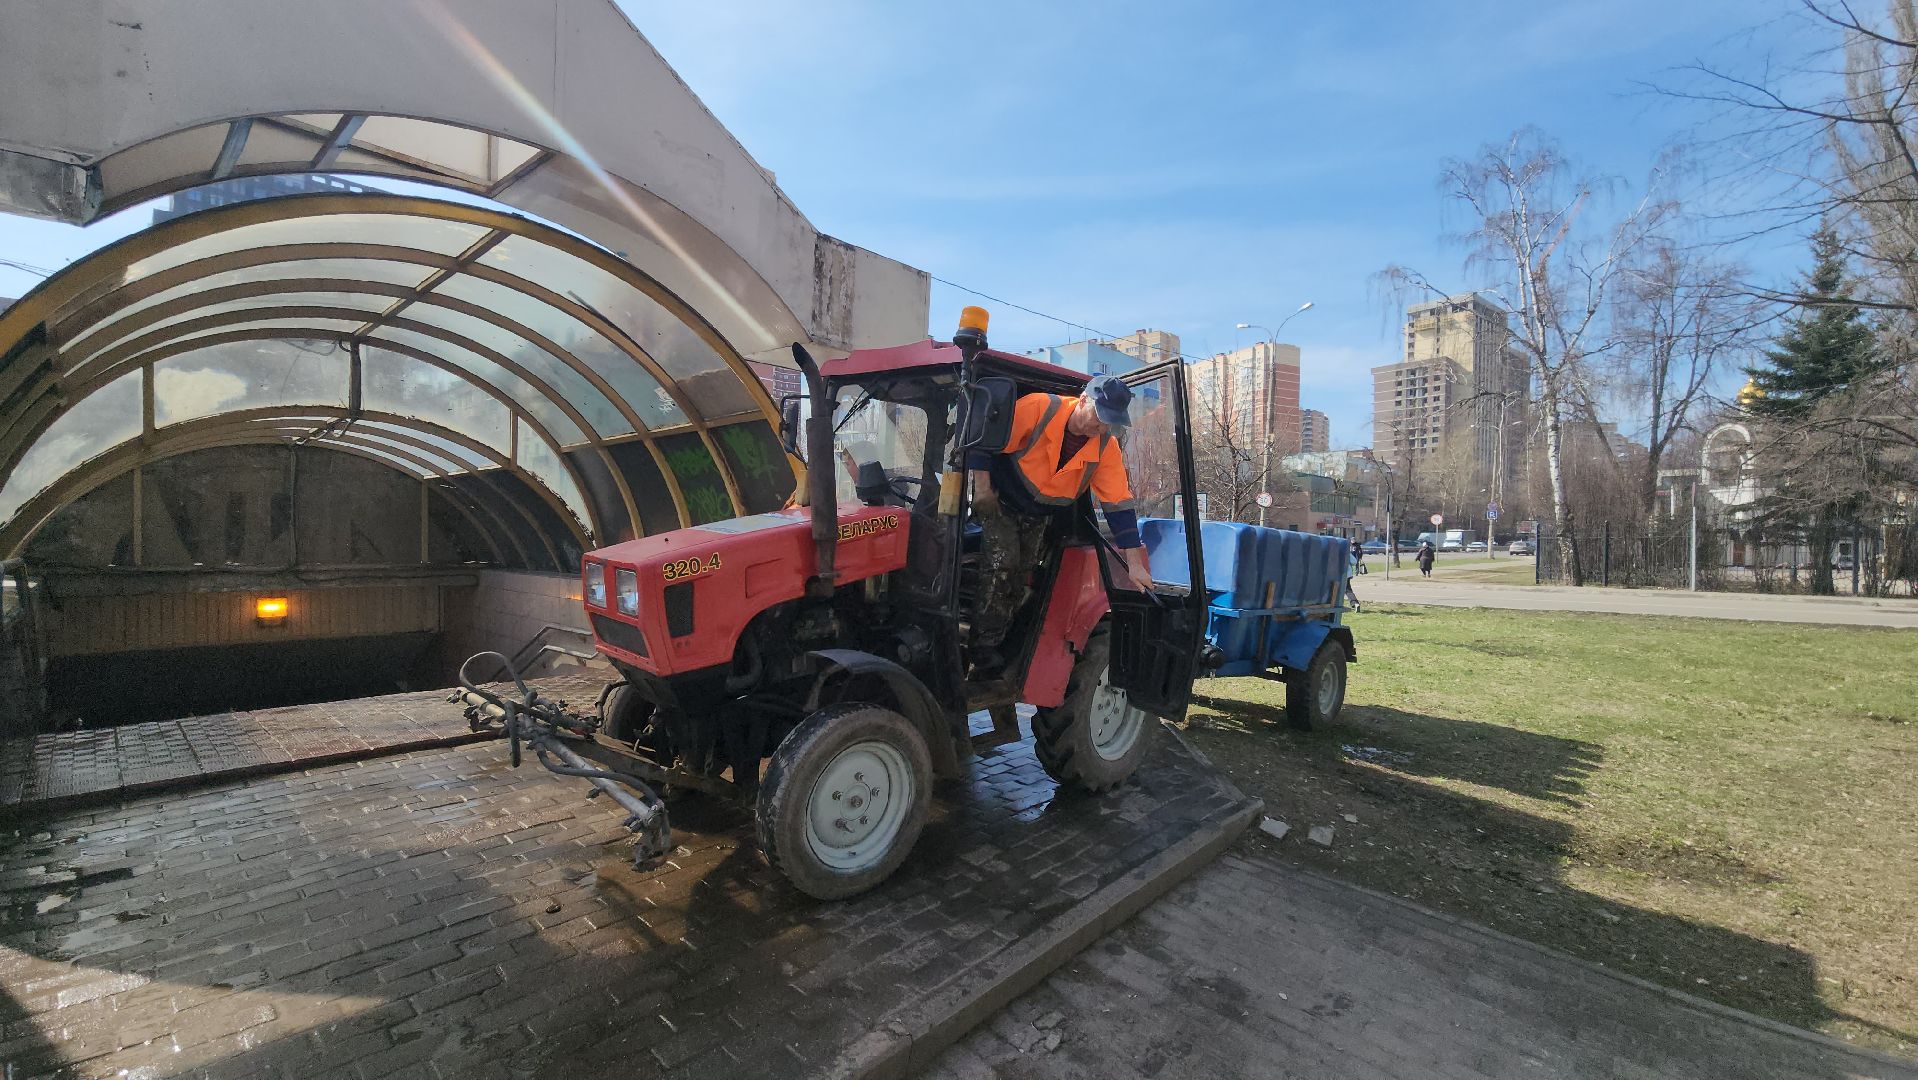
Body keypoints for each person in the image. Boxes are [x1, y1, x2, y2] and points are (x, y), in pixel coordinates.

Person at [968, 374, 1153, 671]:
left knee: (1022, 576)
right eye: (1099, 417)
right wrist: (983, 490)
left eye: (1110, 422)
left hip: (1039, 514)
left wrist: (1135, 563)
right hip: (1000, 502)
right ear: (1082, 400)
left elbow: (1118, 503)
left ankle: (1003, 639)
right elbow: (983, 441)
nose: (1102, 427)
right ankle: (981, 648)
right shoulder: (1039, 409)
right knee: (1004, 565)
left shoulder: (1106, 446)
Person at [1344, 538, 1364, 612]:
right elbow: (1354, 562)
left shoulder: (1333, 551)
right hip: (1347, 574)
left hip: (1337, 574)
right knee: (1348, 590)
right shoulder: (1347, 553)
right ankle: (1355, 604)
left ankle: (1354, 603)